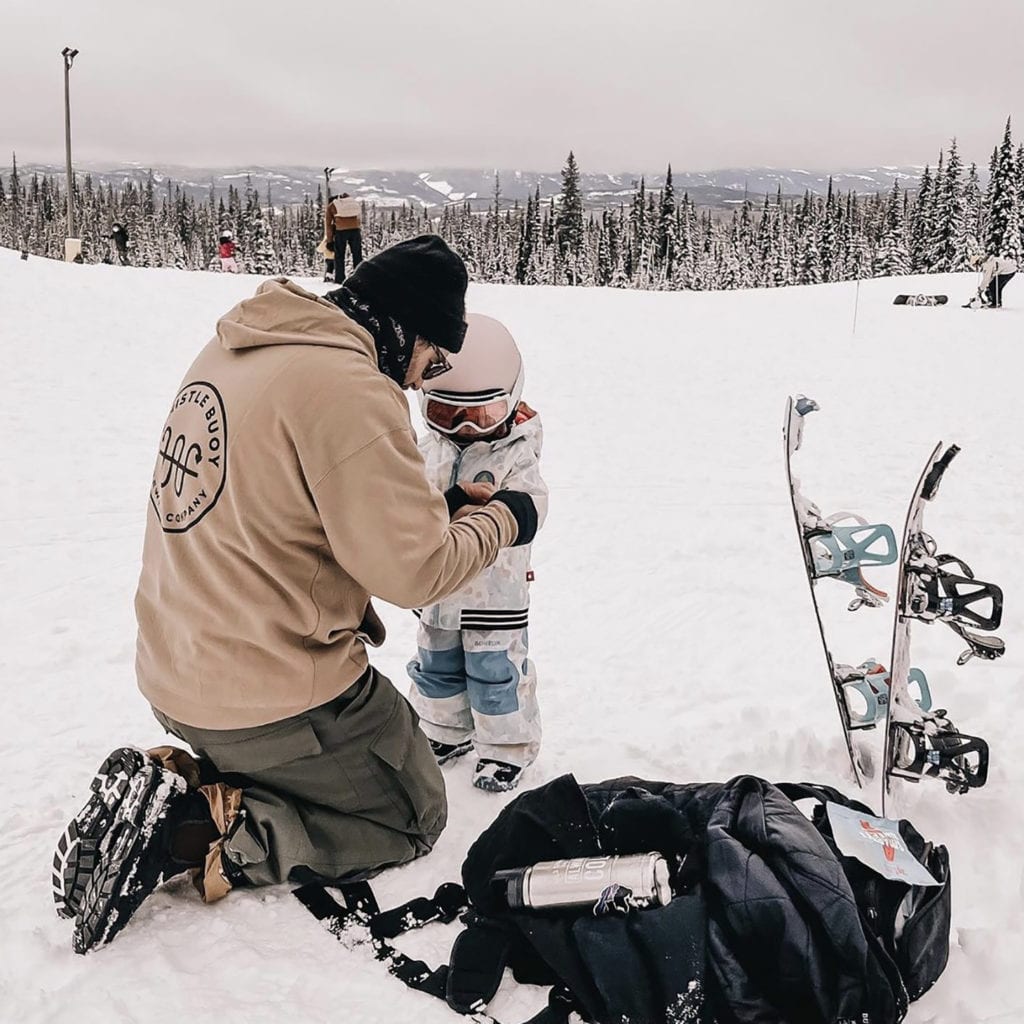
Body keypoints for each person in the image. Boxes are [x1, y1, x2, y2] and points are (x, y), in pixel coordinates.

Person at [52, 235, 540, 954]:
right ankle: (190, 833)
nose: (417, 383)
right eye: (430, 362)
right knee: (408, 810)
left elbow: (288, 501)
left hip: (174, 666)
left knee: (380, 744)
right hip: (267, 692)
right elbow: (415, 575)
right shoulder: (350, 387)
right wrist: (504, 517)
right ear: (406, 329)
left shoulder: (239, 347)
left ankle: (203, 776)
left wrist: (417, 503)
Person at [407, 314, 547, 793]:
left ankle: (505, 748)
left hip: (495, 597)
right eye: (449, 415)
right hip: (439, 590)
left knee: (496, 675)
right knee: (436, 669)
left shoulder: (516, 453)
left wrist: (508, 508)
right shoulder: (428, 452)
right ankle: (445, 733)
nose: (466, 429)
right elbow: (409, 507)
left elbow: (533, 503)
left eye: (481, 416)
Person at [325, 192, 363, 283]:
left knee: (339, 255)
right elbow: (358, 219)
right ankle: (359, 277)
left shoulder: (331, 206)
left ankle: (339, 279)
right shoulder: (352, 203)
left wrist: (329, 241)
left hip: (341, 231)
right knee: (357, 255)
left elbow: (328, 225)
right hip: (355, 230)